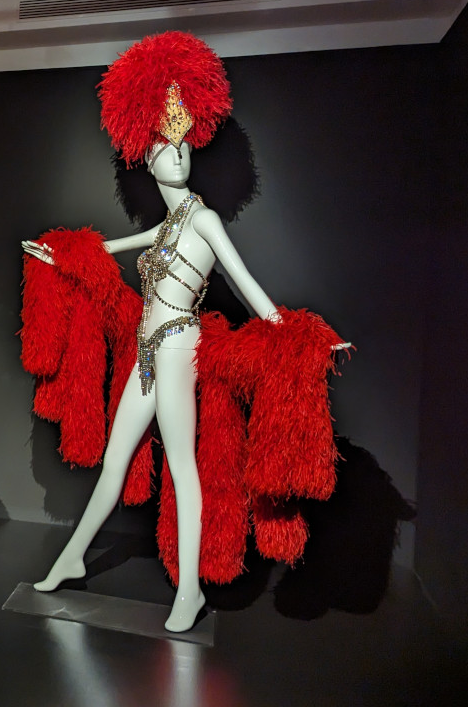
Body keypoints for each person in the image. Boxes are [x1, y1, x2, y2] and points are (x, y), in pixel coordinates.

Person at [22, 31, 346, 632]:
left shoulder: (204, 219)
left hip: (178, 349)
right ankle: (70, 558)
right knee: (115, 465)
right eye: (165, 148)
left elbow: (246, 284)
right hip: (150, 352)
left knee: (182, 470)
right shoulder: (171, 223)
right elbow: (112, 248)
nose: (177, 155)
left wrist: (304, 336)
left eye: (183, 145)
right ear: (147, 159)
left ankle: (190, 591)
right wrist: (58, 255)